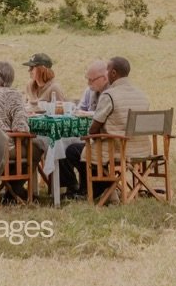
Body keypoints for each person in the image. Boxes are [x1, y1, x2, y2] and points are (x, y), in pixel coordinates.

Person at [58, 56, 151, 198]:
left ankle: (92, 189)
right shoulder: (142, 95)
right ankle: (106, 188)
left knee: (73, 150)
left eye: (107, 70)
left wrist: (94, 132)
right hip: (141, 149)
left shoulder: (109, 95)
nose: (106, 74)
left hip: (117, 149)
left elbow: (93, 129)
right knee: (85, 149)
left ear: (113, 73)